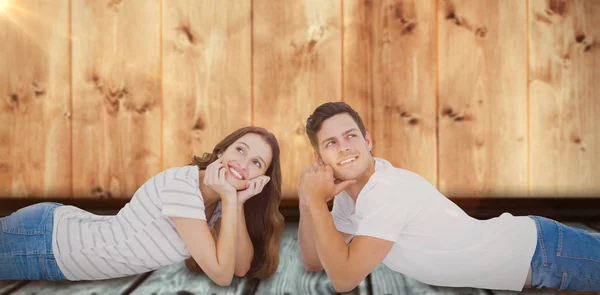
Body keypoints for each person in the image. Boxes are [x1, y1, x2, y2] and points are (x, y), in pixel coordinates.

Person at [297, 102, 600, 292]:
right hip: (535, 263)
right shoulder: (350, 199)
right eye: (331, 142)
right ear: (319, 157)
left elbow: (344, 279)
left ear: (367, 140)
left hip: (542, 250)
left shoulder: (387, 191)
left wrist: (314, 202)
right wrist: (305, 201)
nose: (345, 147)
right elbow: (315, 261)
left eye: (351, 136)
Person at [0, 126, 285, 286]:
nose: (243, 165)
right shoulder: (182, 189)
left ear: (261, 179)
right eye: (240, 150)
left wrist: (234, 201)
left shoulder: (220, 201)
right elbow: (221, 276)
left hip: (57, 248)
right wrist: (230, 197)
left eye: (256, 163)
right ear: (222, 151)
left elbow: (238, 267)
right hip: (45, 243)